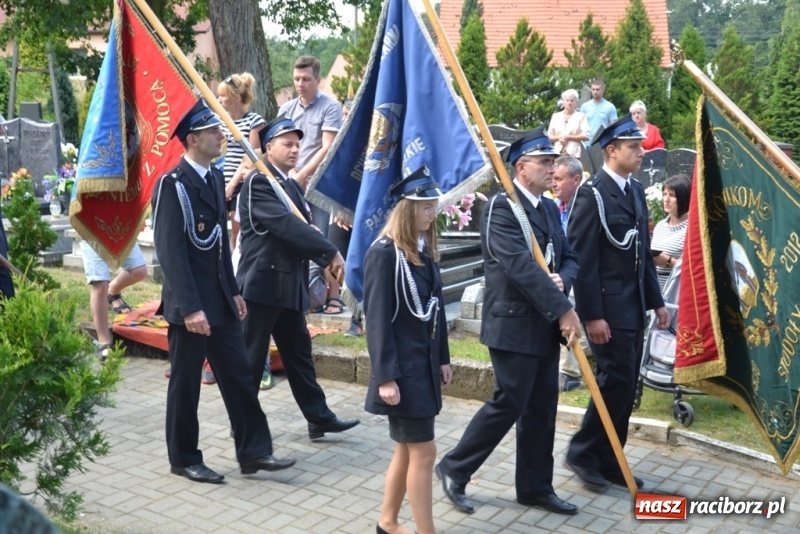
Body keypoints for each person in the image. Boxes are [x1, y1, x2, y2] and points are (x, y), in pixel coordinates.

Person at [436, 128, 582, 516]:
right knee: (509, 402)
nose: (553, 168)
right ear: (521, 166)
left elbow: (569, 259)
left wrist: (562, 281)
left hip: (543, 323)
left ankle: (535, 486)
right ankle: (454, 468)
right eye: (545, 162)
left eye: (554, 161)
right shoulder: (503, 207)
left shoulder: (549, 209)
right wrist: (564, 308)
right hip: (513, 323)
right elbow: (519, 266)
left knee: (541, 407)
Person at [151, 99, 295, 484]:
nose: (222, 135)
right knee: (186, 385)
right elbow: (172, 253)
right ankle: (183, 457)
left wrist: (233, 290)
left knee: (238, 375)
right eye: (214, 131)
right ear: (193, 138)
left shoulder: (215, 177)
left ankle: (254, 452)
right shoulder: (172, 186)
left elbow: (217, 247)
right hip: (190, 305)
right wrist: (190, 308)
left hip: (219, 299)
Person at [237, 115, 360, 441]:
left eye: (297, 144)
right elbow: (284, 226)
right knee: (251, 362)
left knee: (300, 357)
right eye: (287, 143)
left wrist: (312, 233)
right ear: (268, 146)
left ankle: (318, 418)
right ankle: (245, 429)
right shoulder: (259, 182)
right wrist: (329, 251)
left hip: (288, 287)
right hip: (262, 286)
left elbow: (300, 226)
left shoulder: (288, 184)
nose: (294, 150)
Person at [565, 113, 669, 491]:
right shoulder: (593, 195)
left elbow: (640, 253)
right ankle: (583, 452)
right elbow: (583, 261)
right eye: (633, 147)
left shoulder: (635, 191)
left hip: (634, 306)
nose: (642, 152)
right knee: (615, 381)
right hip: (607, 310)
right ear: (612, 151)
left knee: (625, 386)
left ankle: (610, 459)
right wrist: (592, 316)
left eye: (641, 145)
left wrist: (656, 302)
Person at [363, 166, 453, 534]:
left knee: (407, 447)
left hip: (424, 367)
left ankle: (387, 522)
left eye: (434, 206)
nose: (432, 213)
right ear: (407, 210)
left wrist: (444, 357)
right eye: (425, 207)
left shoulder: (421, 249)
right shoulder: (384, 254)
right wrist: (385, 375)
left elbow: (436, 310)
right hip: (401, 371)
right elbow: (377, 318)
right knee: (424, 451)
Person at [277, 55, 343, 237]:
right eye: (297, 79)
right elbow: (278, 148)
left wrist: (303, 177)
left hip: (317, 185)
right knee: (292, 236)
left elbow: (327, 146)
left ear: (318, 80)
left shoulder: (331, 107)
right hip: (290, 181)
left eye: (306, 79)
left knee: (318, 238)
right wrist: (293, 176)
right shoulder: (286, 109)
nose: (300, 84)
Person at [551, 155, 589, 393]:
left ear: (576, 180)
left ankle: (569, 372)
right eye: (552, 178)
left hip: (582, 273)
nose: (553, 183)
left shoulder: (585, 205)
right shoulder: (556, 207)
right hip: (563, 273)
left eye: (559, 178)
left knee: (569, 309)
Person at [80, 241, 147, 360]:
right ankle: (104, 341)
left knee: (139, 271)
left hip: (120, 229)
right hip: (90, 231)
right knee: (100, 284)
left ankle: (113, 291)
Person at [651, 174, 691, 291]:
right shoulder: (660, 226)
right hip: (656, 293)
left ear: (683, 197)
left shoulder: (690, 228)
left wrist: (668, 261)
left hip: (677, 293)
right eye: (664, 194)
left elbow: (697, 269)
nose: (666, 199)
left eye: (672, 195)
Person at [548, 89, 589, 158]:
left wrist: (568, 137)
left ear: (576, 102)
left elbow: (586, 136)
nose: (569, 103)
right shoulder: (556, 116)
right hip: (558, 152)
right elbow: (549, 136)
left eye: (572, 100)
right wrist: (559, 138)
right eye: (567, 100)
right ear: (563, 101)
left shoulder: (581, 116)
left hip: (574, 154)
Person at [579, 79, 618, 146]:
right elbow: (579, 125)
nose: (595, 92)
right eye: (593, 89)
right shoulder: (584, 106)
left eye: (597, 89)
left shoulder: (610, 107)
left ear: (603, 90)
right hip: (587, 143)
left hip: (602, 142)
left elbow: (613, 126)